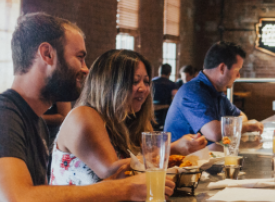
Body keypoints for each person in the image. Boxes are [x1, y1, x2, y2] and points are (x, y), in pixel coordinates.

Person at [0, 13, 174, 202]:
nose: (85, 69)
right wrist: (126, 188)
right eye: (80, 57)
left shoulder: (35, 121)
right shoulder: (6, 115)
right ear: (47, 54)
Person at [51, 50, 206, 186]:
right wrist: (172, 149)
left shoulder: (133, 120)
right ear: (109, 84)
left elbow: (150, 171)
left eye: (146, 82)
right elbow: (114, 174)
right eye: (134, 81)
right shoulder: (83, 116)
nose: (143, 88)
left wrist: (177, 151)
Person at [165, 42, 263, 142]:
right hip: (183, 157)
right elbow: (214, 133)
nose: (238, 76)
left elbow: (242, 117)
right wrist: (248, 126)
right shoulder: (192, 91)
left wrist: (231, 126)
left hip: (206, 155)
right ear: (222, 68)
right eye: (237, 70)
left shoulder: (217, 92)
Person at [152, 63, 175, 129]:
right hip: (165, 117)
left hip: (151, 115)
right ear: (169, 73)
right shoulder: (173, 85)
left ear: (159, 71)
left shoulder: (151, 82)